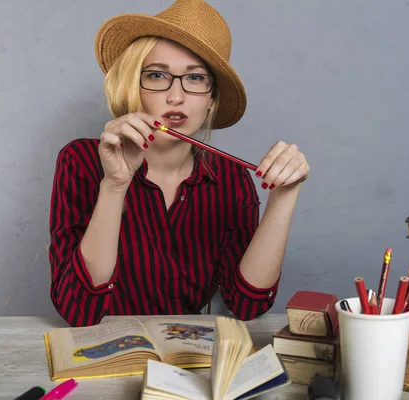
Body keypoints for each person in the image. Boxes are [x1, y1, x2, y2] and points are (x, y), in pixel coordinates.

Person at [49, 0, 310, 327]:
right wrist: (115, 186)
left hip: (187, 361)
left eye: (196, 78)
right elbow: (79, 311)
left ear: (211, 97)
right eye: (157, 75)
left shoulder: (231, 178)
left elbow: (247, 305)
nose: (176, 96)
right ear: (134, 85)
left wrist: (283, 197)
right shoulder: (82, 161)